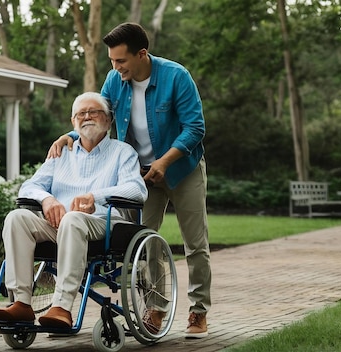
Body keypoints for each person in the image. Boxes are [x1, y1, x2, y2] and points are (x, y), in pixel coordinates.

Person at [47, 22, 211, 338]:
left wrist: (165, 161)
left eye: (121, 61)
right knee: (143, 243)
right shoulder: (114, 80)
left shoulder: (176, 77)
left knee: (195, 244)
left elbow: (195, 128)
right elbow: (98, 116)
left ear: (141, 54)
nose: (115, 67)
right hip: (140, 175)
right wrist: (69, 136)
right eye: (112, 61)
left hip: (181, 168)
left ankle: (198, 311)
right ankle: (156, 309)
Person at [0, 92, 147, 328]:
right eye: (81, 113)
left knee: (73, 219)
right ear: (73, 122)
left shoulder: (123, 152)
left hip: (102, 225)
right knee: (16, 218)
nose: (87, 117)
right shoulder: (61, 152)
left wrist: (96, 196)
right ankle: (21, 303)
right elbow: (28, 187)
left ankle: (61, 306)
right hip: (59, 225)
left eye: (94, 112)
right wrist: (47, 200)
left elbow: (137, 189)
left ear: (108, 120)